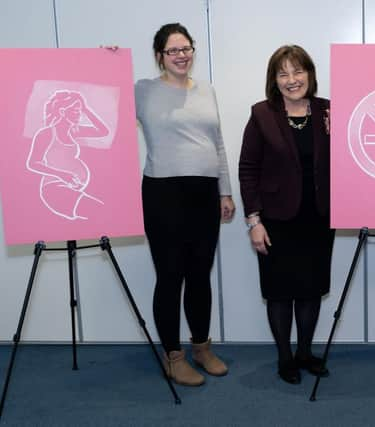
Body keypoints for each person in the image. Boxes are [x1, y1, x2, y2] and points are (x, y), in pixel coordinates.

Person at [135, 23, 234, 386]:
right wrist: (105, 59)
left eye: (186, 48)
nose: (181, 55)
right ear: (160, 56)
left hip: (205, 194)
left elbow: (218, 142)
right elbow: (102, 103)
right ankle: (173, 356)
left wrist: (225, 191)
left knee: (199, 275)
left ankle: (202, 348)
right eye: (173, 50)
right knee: (170, 274)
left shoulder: (206, 90)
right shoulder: (143, 90)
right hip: (164, 194)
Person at [239, 45, 335, 384]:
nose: (292, 80)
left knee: (311, 289)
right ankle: (285, 358)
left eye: (298, 71)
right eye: (283, 73)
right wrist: (254, 221)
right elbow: (248, 170)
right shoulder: (262, 114)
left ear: (310, 74)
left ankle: (305, 352)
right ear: (274, 80)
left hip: (320, 217)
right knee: (280, 292)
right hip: (276, 220)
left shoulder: (329, 111)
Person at [26, 90, 109, 220]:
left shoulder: (73, 131)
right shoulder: (46, 134)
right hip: (55, 189)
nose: (79, 115)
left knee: (100, 215)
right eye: (75, 111)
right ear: (62, 112)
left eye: (80, 111)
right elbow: (33, 163)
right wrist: (61, 174)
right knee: (101, 212)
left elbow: (103, 131)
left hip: (71, 188)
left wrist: (86, 108)